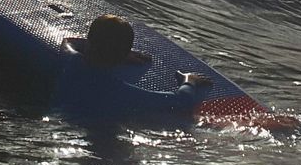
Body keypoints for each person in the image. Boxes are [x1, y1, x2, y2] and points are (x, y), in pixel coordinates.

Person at [53, 14, 214, 120]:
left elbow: (69, 41)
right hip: (101, 141)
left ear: (90, 41)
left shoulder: (73, 62)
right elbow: (182, 101)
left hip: (59, 119)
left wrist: (122, 54)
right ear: (122, 55)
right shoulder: (119, 91)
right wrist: (189, 81)